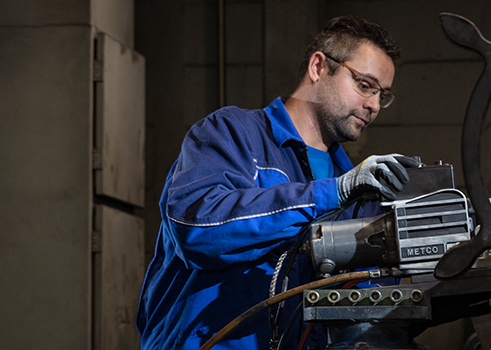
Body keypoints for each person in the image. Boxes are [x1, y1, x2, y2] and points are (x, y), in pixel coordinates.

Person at [136, 15, 418, 350]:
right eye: (364, 85)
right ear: (319, 67)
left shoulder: (357, 190)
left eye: (382, 95)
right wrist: (332, 193)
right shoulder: (233, 135)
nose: (373, 105)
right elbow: (197, 226)